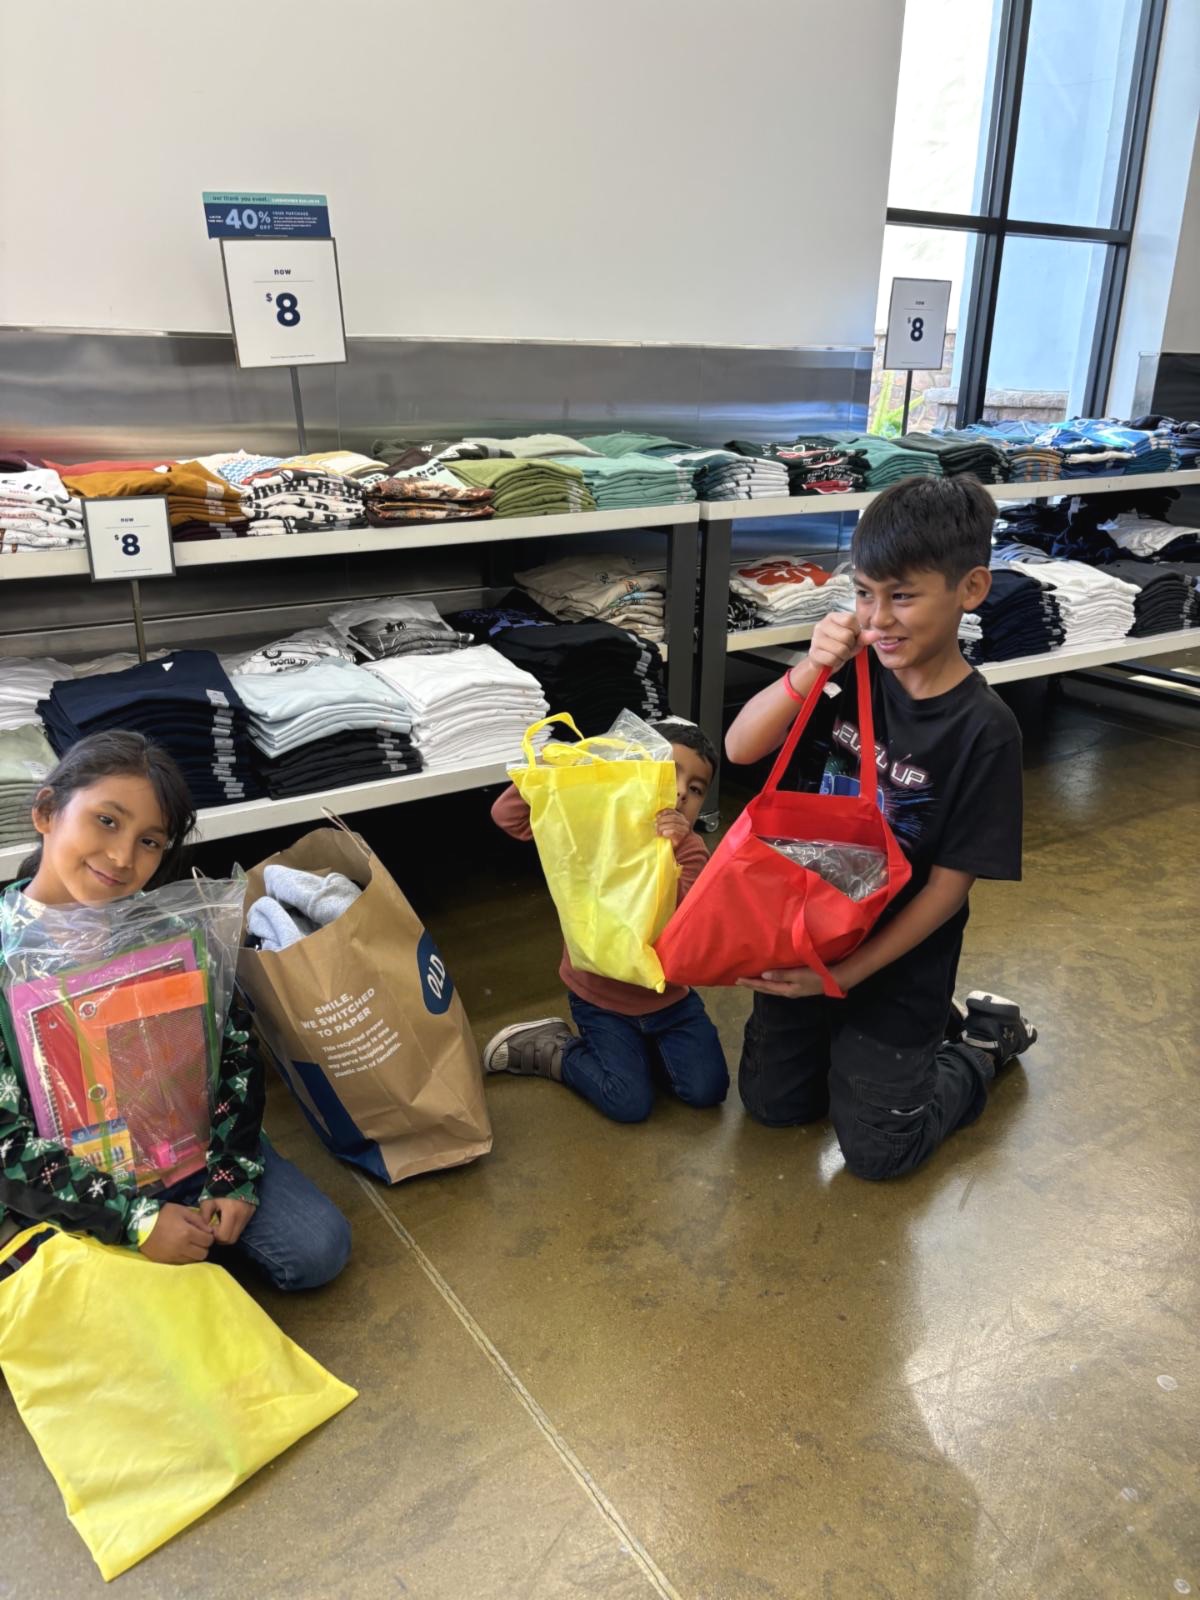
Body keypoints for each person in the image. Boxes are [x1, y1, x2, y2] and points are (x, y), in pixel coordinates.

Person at [724, 475, 1037, 1181]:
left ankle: (983, 1044)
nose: (878, 619)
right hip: (808, 931)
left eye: (902, 596)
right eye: (865, 594)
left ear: (971, 589)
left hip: (896, 962)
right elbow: (741, 749)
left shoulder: (984, 731)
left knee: (880, 1152)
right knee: (773, 1107)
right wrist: (814, 665)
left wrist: (844, 980)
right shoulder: (846, 675)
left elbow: (946, 893)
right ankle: (878, 1042)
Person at [0, 730, 351, 1288]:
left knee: (317, 1250)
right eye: (106, 820)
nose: (121, 856)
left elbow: (233, 1055)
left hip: (189, 1152)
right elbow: (6, 1142)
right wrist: (135, 1220)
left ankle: (178, 1241)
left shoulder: (174, 930)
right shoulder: (6, 953)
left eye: (150, 841)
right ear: (46, 812)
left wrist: (231, 1175)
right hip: (72, 1179)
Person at [484, 720, 729, 1123]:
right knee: (628, 1102)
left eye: (697, 789)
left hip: (669, 1001)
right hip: (600, 999)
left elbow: (689, 920)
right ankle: (557, 1049)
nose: (683, 791)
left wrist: (673, 849)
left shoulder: (691, 850)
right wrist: (563, 768)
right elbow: (508, 816)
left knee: (707, 1090)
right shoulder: (593, 827)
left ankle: (637, 1052)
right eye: (670, 772)